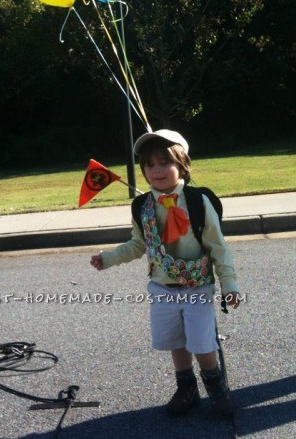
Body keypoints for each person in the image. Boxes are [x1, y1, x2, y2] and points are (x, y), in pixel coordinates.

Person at [90, 129, 240, 416]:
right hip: (162, 289)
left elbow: (218, 246)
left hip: (197, 287)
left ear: (182, 164)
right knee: (175, 340)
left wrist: (229, 283)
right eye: (150, 165)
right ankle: (187, 387)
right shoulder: (142, 206)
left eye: (164, 163)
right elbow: (138, 244)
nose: (156, 170)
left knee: (202, 342)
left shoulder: (198, 202)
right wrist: (108, 258)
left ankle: (215, 386)